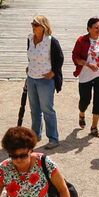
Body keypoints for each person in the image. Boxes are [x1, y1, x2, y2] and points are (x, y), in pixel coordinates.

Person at [72, 17, 99, 138]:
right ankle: (82, 113)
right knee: (85, 100)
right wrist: (88, 64)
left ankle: (94, 127)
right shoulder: (82, 41)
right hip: (85, 75)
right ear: (89, 28)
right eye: (96, 28)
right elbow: (75, 57)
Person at [26, 15, 64, 149]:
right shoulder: (30, 39)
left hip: (45, 80)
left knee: (47, 110)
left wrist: (53, 73)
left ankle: (53, 138)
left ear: (43, 27)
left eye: (35, 24)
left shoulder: (51, 41)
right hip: (31, 78)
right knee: (34, 109)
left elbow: (60, 58)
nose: (33, 26)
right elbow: (30, 56)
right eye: (32, 24)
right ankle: (36, 135)